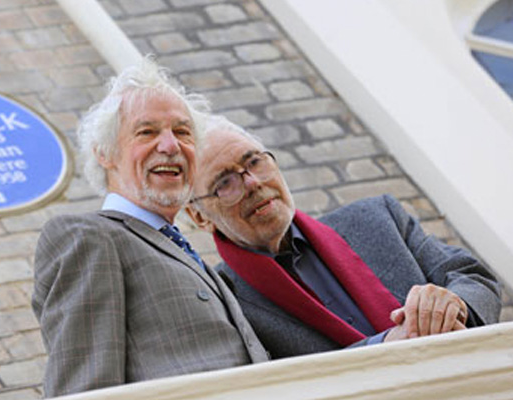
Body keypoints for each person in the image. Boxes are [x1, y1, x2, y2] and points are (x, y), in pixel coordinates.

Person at [32, 61, 268, 397]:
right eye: (147, 132)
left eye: (183, 132)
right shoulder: (89, 237)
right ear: (104, 153)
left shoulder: (184, 252)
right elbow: (83, 389)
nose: (171, 146)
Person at [186, 116, 501, 359]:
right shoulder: (217, 298)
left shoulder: (378, 216)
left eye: (254, 161)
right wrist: (384, 347)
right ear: (198, 215)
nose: (253, 183)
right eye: (225, 182)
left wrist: (452, 305)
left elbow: (472, 275)